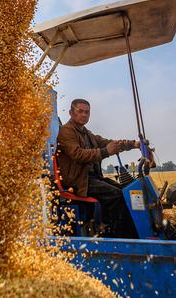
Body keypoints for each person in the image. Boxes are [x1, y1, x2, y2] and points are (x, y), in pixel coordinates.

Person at [56, 98, 147, 238]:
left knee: (124, 192)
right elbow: (78, 154)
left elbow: (108, 143)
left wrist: (134, 144)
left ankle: (132, 233)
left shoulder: (87, 133)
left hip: (91, 178)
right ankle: (117, 237)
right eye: (80, 111)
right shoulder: (66, 132)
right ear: (71, 113)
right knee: (116, 196)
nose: (84, 115)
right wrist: (105, 152)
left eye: (87, 112)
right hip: (78, 181)